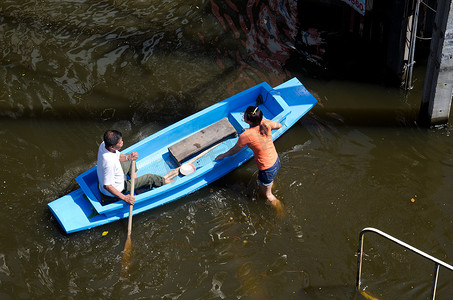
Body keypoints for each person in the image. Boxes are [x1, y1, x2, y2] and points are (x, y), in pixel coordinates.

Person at [215, 106, 282, 210]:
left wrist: (223, 155)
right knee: (267, 183)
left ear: (248, 120)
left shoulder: (246, 135)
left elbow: (234, 151)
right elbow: (279, 125)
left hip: (266, 168)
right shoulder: (266, 123)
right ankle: (268, 185)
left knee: (268, 196)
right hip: (276, 161)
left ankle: (281, 211)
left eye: (244, 115)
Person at [97, 130, 171, 205]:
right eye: (120, 142)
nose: (122, 142)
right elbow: (107, 186)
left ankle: (137, 187)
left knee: (130, 161)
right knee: (150, 178)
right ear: (112, 146)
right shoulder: (109, 162)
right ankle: (169, 183)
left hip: (115, 177)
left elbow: (118, 156)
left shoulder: (104, 145)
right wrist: (125, 198)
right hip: (118, 188)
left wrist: (128, 157)